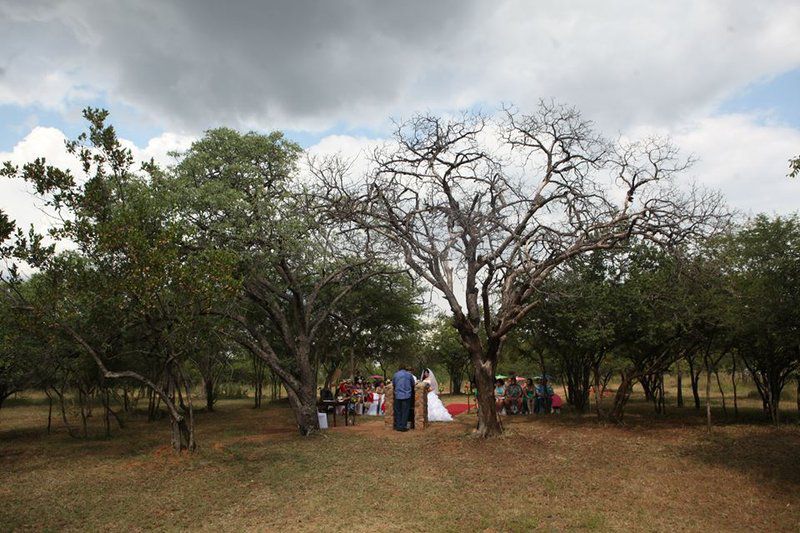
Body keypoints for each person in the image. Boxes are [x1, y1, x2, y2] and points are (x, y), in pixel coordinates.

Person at [391, 364, 415, 431]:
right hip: (407, 395)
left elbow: (394, 384)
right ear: (405, 368)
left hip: (398, 395)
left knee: (398, 411)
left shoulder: (395, 375)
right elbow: (413, 384)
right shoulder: (409, 375)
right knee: (405, 411)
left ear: (399, 368)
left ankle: (398, 426)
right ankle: (403, 426)